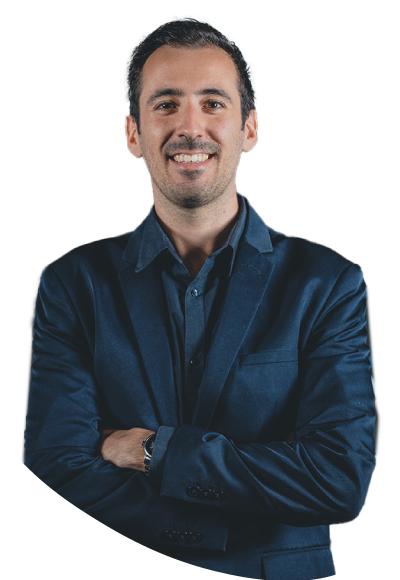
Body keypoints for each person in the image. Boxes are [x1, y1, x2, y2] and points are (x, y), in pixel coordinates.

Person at [20, 15, 377, 580]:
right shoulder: (70, 284)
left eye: (213, 103)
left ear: (249, 128)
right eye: (166, 104)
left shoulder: (329, 283)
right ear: (133, 133)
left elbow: (338, 480)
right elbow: (54, 464)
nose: (190, 127)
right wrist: (238, 504)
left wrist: (152, 451)